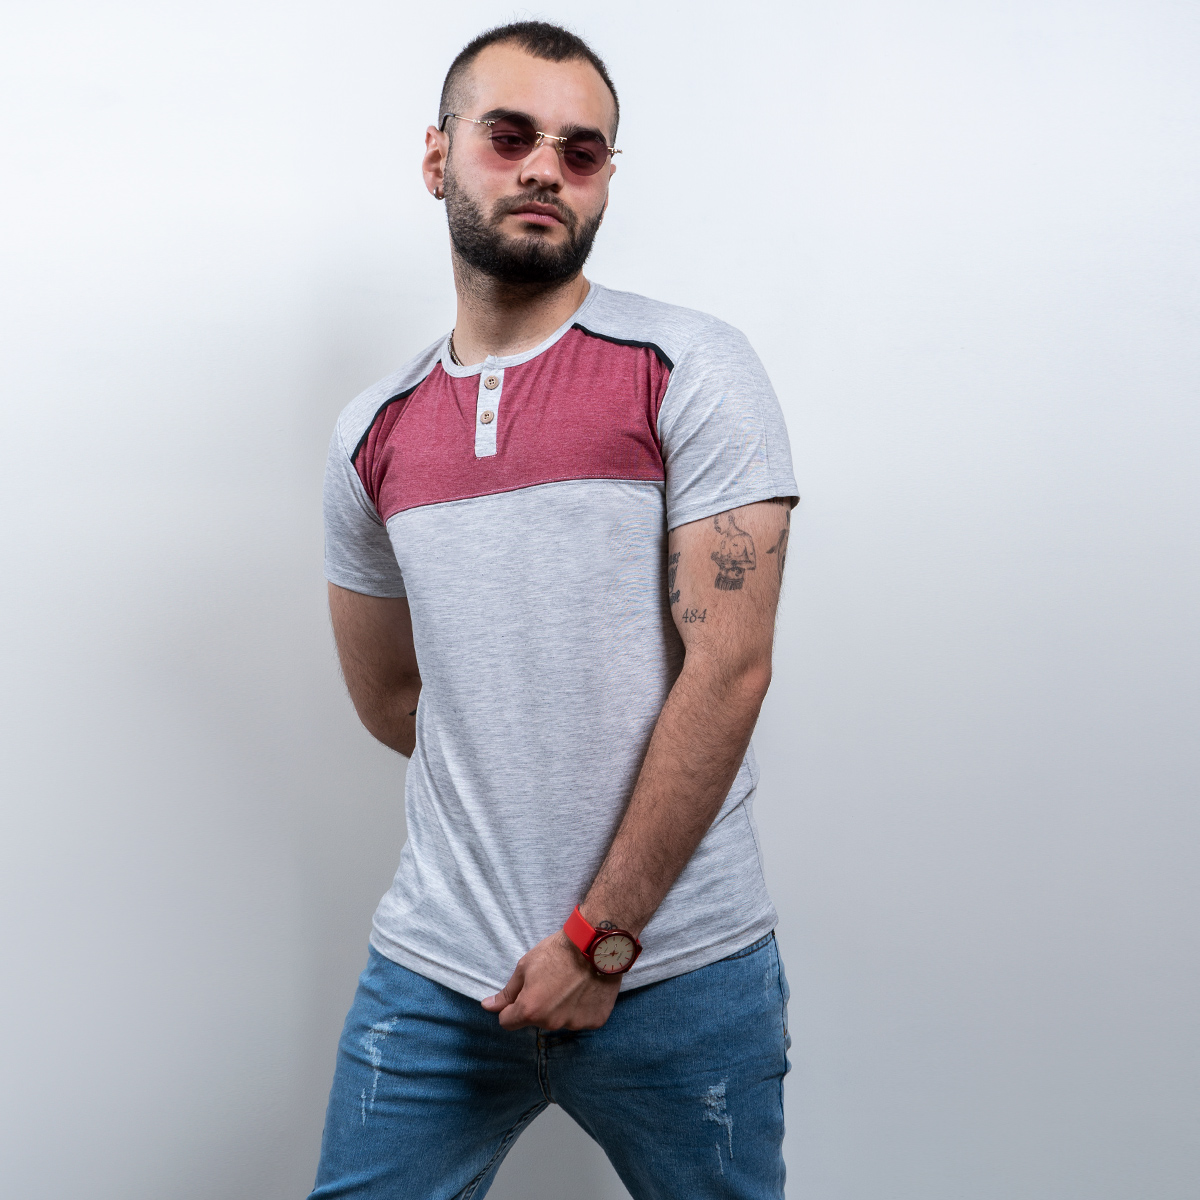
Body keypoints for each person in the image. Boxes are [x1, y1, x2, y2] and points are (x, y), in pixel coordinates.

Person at [312, 20, 799, 1200]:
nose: (545, 168)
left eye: (581, 151)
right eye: (510, 135)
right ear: (439, 157)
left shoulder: (689, 367)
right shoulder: (374, 431)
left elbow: (729, 671)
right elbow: (393, 696)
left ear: (605, 181)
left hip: (677, 971)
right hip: (437, 974)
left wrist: (600, 941)